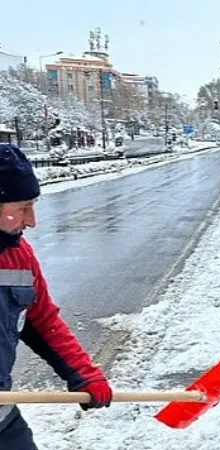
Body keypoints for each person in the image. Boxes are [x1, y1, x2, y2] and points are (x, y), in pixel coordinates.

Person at [0, 144, 113, 449]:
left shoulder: (18, 254)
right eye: (22, 207)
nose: (32, 220)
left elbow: (42, 321)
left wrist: (83, 374)